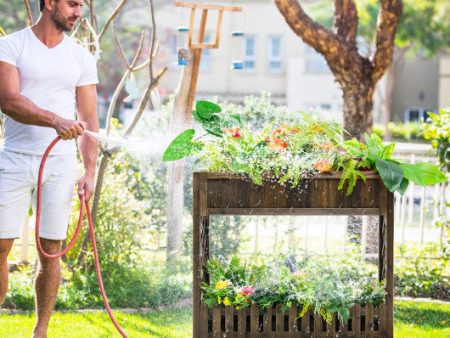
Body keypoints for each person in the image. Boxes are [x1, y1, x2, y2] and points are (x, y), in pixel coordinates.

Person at [0, 0, 99, 337]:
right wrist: (56, 120)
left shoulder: (81, 58)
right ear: (49, 2)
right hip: (14, 158)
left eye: (81, 5)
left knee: (52, 252)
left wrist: (89, 172)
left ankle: (40, 332)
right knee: (0, 247)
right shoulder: (12, 46)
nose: (78, 11)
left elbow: (89, 121)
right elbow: (8, 100)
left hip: (59, 164)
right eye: (72, 3)